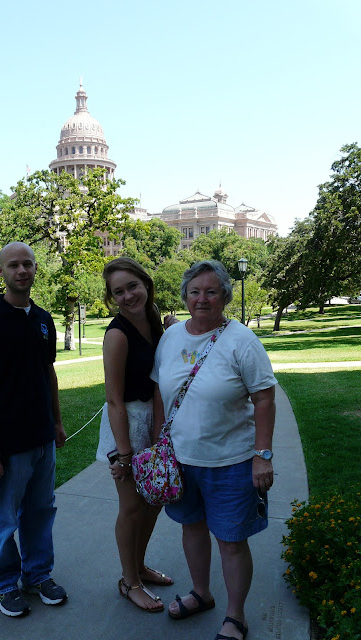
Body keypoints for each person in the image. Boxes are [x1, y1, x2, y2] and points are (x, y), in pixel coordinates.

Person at [151, 260, 277, 640]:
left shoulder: (242, 341)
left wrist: (262, 456)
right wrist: (159, 444)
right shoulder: (171, 338)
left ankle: (235, 616)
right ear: (185, 296)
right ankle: (201, 593)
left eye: (211, 292)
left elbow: (265, 399)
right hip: (181, 461)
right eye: (194, 292)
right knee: (191, 529)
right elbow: (159, 391)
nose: (202, 299)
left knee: (231, 542)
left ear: (225, 296)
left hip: (231, 462)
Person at [0, 241, 67, 618]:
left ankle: (37, 575)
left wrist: (57, 421)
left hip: (43, 438)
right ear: (1, 271)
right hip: (8, 444)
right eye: (13, 265)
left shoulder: (43, 319)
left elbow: (48, 374)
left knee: (41, 510)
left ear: (35, 268)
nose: (22, 270)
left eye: (27, 264)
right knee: (4, 517)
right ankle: (3, 584)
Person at [96, 257, 175, 613]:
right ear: (111, 298)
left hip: (155, 420)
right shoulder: (116, 334)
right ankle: (129, 583)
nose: (128, 296)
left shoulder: (154, 317)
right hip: (125, 425)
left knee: (154, 500)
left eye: (132, 286)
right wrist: (125, 454)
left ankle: (139, 567)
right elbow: (114, 399)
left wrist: (174, 328)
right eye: (118, 292)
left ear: (146, 284)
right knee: (131, 506)